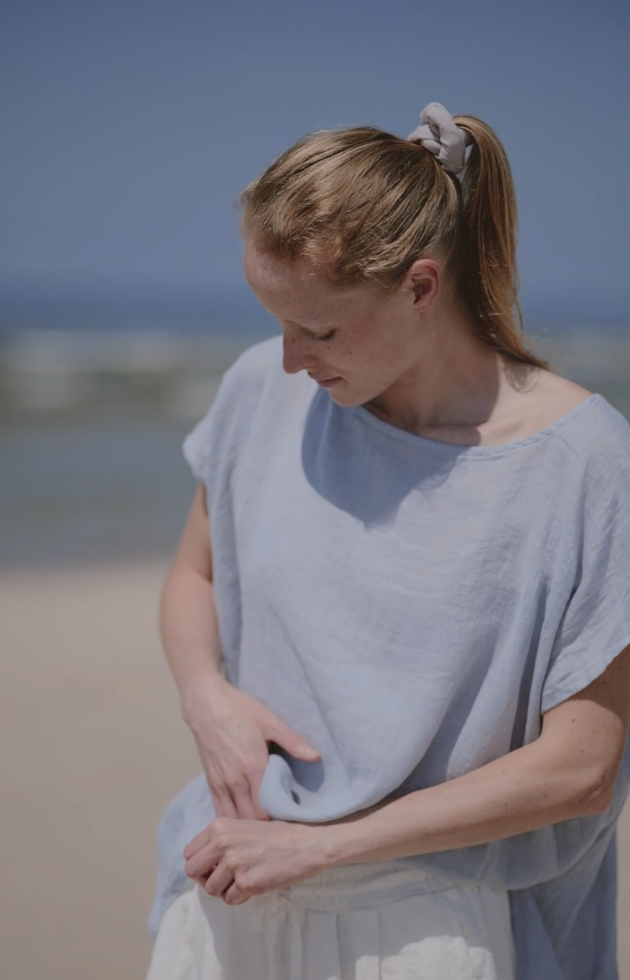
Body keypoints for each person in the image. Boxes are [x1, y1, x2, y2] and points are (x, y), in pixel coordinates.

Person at [145, 103, 630, 979]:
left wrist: (324, 849)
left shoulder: (582, 464)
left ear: (421, 286)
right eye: (276, 321)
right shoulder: (261, 392)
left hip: (439, 933)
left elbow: (581, 770)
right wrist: (205, 696)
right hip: (231, 891)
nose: (290, 359)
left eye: (320, 329)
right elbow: (194, 575)